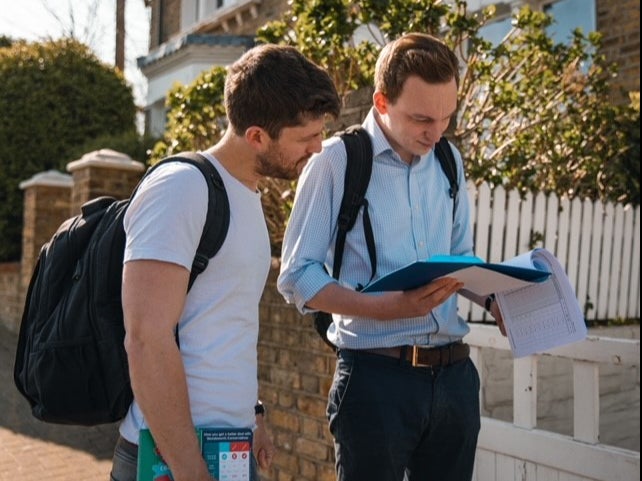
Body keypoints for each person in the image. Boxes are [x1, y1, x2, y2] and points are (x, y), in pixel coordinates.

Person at [277, 33, 505, 481]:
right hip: (375, 380)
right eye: (421, 118)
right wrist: (382, 308)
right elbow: (296, 276)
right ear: (381, 101)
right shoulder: (336, 161)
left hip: (456, 378)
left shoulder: (448, 159)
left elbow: (460, 258)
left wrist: (498, 299)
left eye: (446, 117)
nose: (436, 131)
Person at [110, 44, 341, 481]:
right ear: (256, 136)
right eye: (305, 137)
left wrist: (252, 415)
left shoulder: (247, 194)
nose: (318, 146)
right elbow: (145, 339)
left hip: (228, 449)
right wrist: (189, 468)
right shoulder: (181, 189)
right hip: (170, 457)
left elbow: (225, 324)